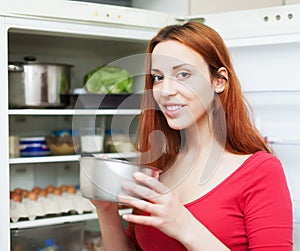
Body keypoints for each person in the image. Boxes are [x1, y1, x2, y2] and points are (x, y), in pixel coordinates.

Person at [91, 22, 293, 251]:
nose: (166, 90)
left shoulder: (260, 171)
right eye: (158, 77)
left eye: (183, 74)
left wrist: (185, 226)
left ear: (219, 81)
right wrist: (105, 210)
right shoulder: (158, 167)